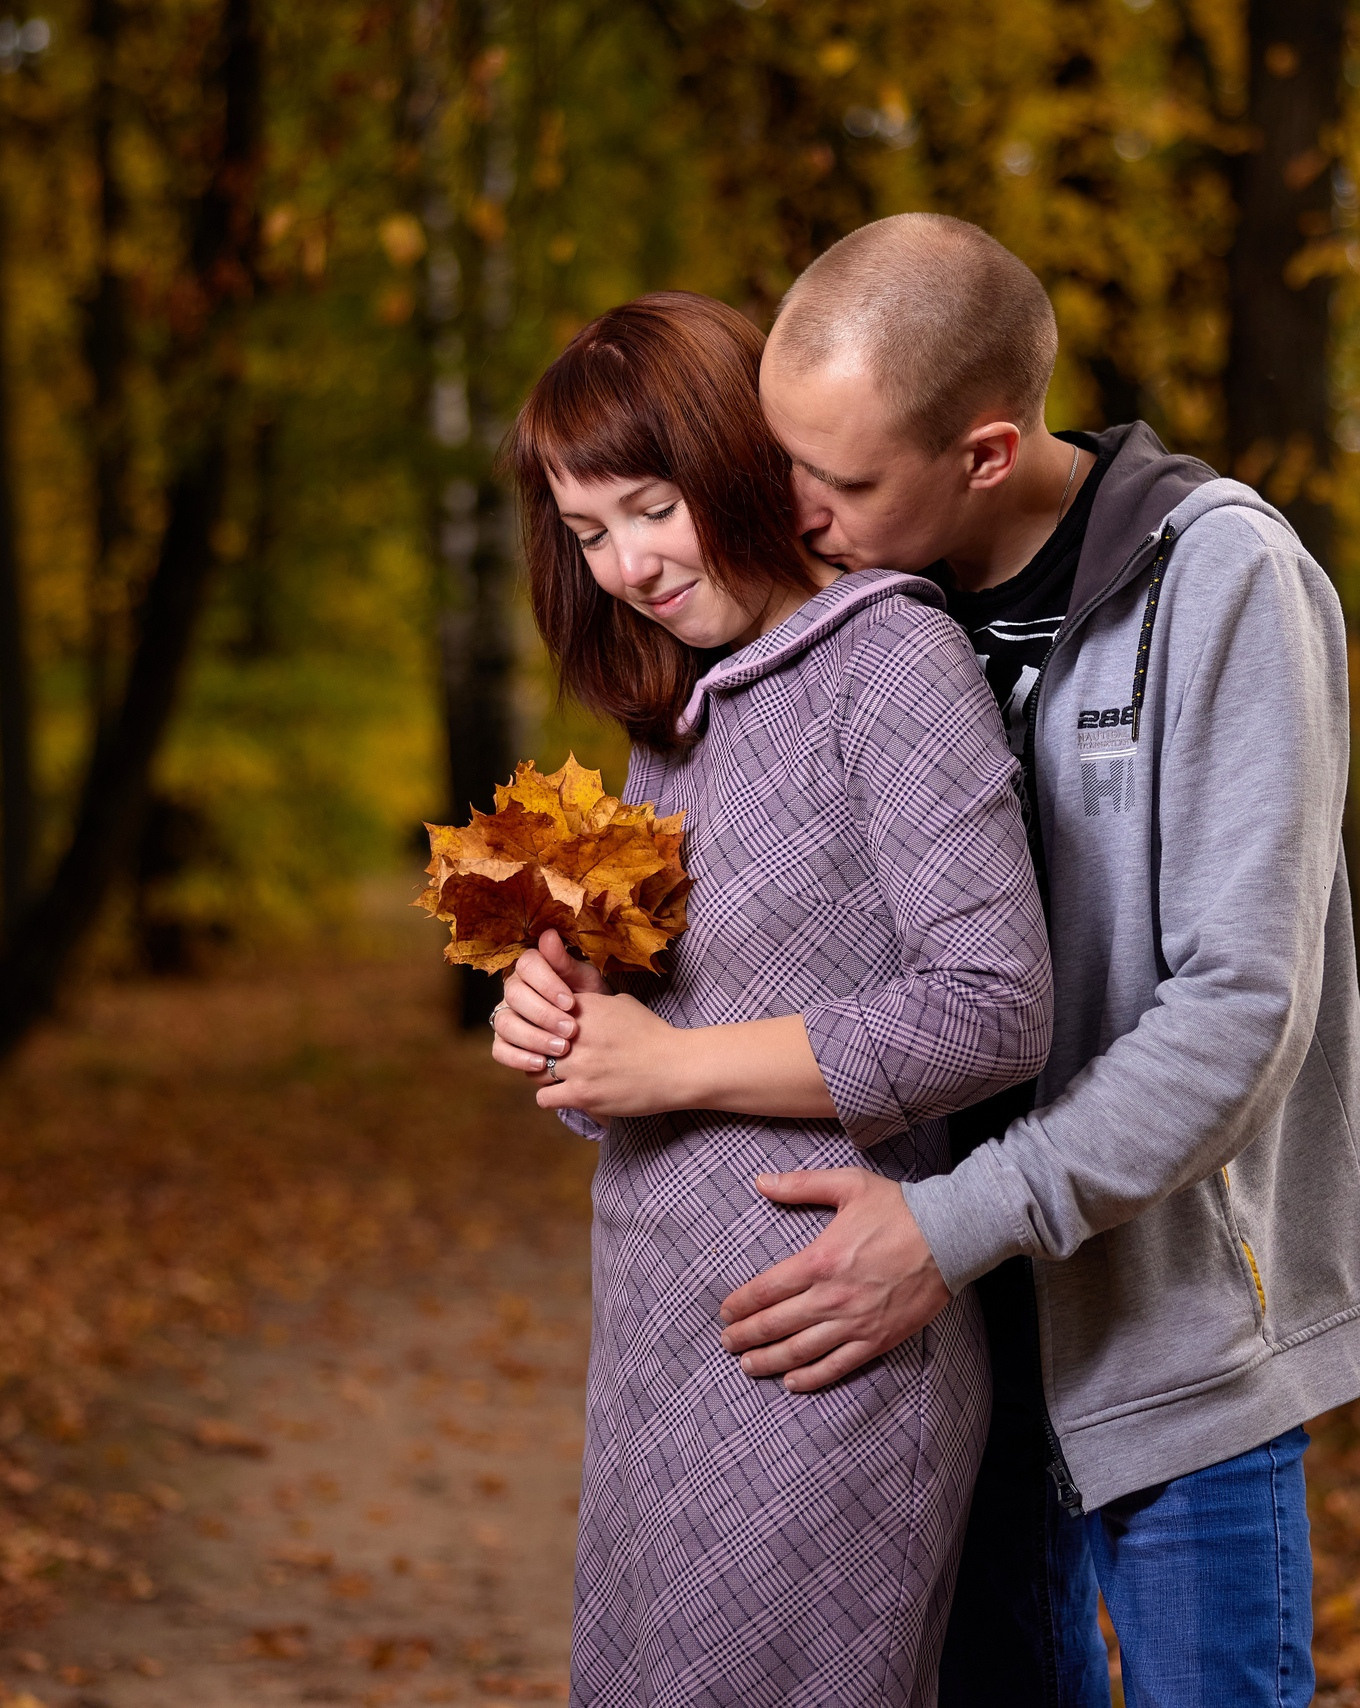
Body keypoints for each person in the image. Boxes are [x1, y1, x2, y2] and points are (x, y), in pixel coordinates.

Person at [724, 213, 1360, 1704]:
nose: (798, 510)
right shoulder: (860, 613)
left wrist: (957, 1222)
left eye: (837, 479)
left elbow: (1239, 1010)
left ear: (982, 452)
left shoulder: (1223, 581)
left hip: (1173, 1333)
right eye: (786, 461)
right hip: (942, 1338)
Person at [486, 290, 1053, 1708]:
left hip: (827, 1353)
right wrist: (564, 1027)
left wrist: (669, 1069)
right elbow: (654, 1049)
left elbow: (992, 1006)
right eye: (584, 533)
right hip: (655, 1338)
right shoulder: (678, 719)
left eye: (648, 507)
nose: (625, 565)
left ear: (739, 457)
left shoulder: (890, 660)